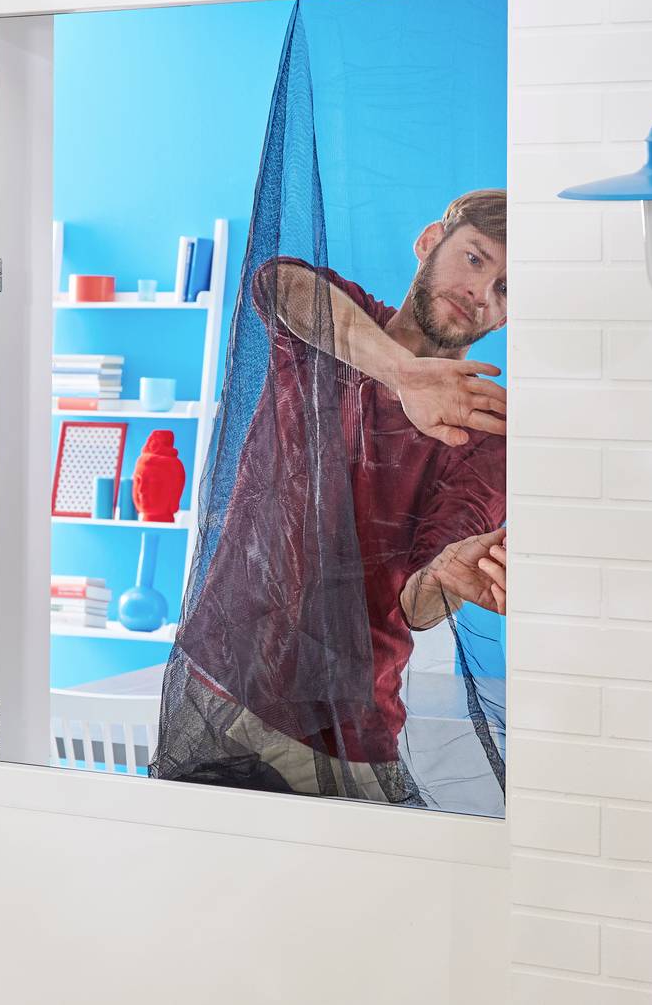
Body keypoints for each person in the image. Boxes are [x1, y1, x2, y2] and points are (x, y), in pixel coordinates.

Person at [153, 189, 509, 804]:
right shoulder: (339, 326)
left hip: (339, 732)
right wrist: (403, 374)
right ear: (430, 241)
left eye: (507, 289)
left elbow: (417, 603)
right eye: (476, 259)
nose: (482, 291)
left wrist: (449, 578)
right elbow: (275, 282)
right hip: (216, 686)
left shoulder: (484, 433)